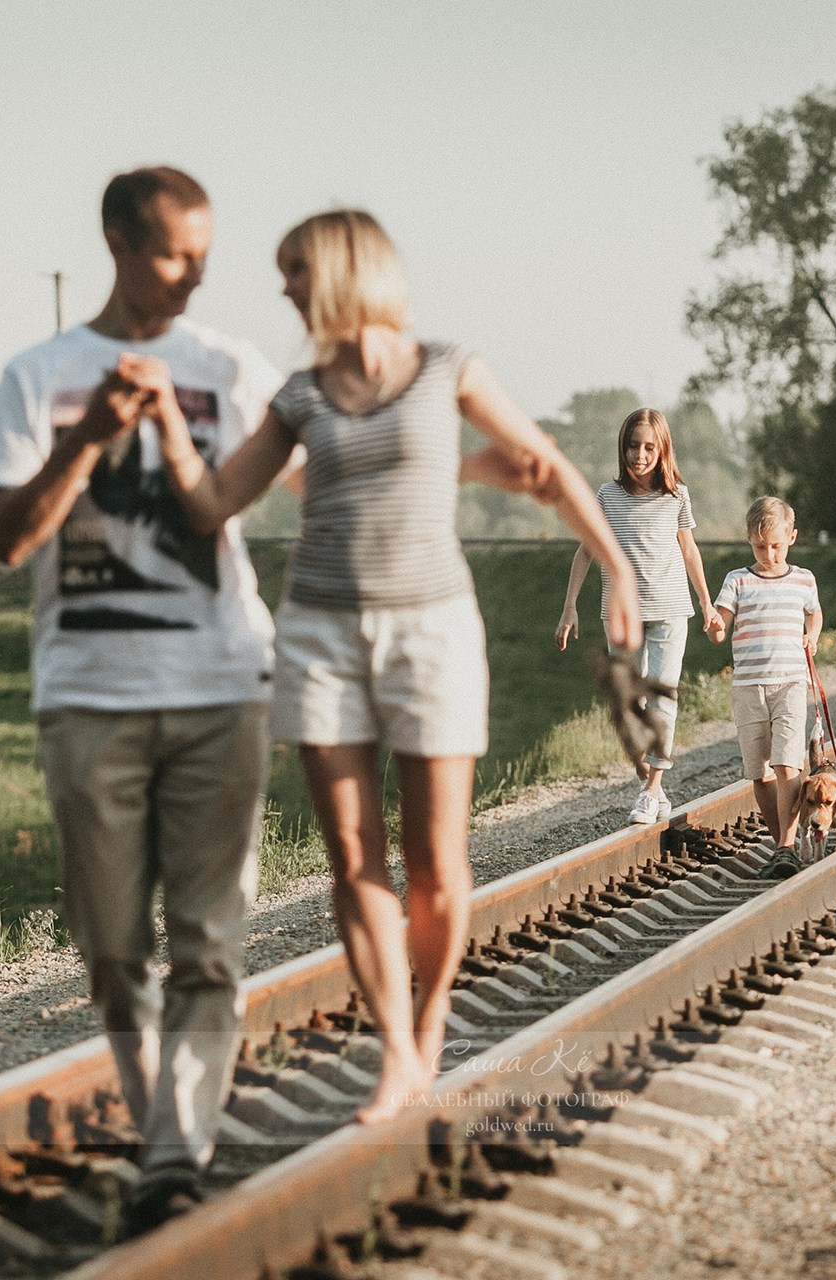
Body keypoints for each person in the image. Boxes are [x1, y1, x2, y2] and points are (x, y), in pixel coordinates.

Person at [119, 209, 641, 1124]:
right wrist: (165, 417)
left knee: (435, 865)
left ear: (344, 273)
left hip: (432, 632)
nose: (282, 289)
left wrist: (618, 569)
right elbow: (211, 504)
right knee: (353, 859)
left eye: (294, 272)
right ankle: (397, 1050)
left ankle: (429, 1021)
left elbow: (546, 467)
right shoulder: (299, 397)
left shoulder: (447, 368)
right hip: (320, 637)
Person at [0, 166, 284, 1230]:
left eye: (204, 253)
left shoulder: (229, 366)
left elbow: (321, 468)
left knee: (207, 938)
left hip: (220, 682)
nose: (193, 275)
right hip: (88, 696)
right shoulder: (36, 374)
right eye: (171, 253)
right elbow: (9, 541)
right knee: (111, 949)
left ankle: (171, 1152)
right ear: (114, 241)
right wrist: (88, 433)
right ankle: (165, 1135)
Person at [555, 407, 719, 824]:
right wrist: (570, 606)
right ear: (622, 448)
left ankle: (652, 790)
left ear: (662, 450)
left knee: (663, 698)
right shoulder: (607, 497)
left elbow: (688, 550)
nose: (640, 455)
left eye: (649, 447)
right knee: (628, 703)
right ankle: (651, 779)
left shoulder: (676, 495)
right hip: (622, 614)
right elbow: (585, 550)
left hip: (669, 610)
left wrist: (706, 602)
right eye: (633, 446)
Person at [705, 496, 823, 880]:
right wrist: (715, 626)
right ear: (749, 541)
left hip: (790, 682)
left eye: (775, 545)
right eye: (760, 546)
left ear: (792, 537)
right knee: (761, 773)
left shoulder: (804, 579)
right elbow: (721, 627)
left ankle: (787, 847)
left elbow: (814, 612)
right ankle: (781, 846)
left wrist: (813, 634)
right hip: (748, 687)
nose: (769, 553)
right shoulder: (737, 580)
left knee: (788, 763)